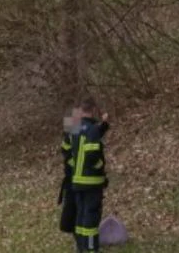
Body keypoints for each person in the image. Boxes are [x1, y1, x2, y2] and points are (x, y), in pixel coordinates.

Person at [67, 98, 110, 252]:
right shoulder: (91, 129)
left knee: (81, 215)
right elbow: (92, 155)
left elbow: (84, 135)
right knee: (91, 218)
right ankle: (91, 248)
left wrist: (104, 125)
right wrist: (102, 172)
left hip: (76, 181)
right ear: (92, 110)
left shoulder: (74, 127)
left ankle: (81, 247)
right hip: (91, 181)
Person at [57, 105, 80, 235]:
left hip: (72, 171)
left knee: (72, 201)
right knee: (72, 202)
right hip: (73, 172)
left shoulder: (70, 133)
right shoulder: (72, 133)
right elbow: (68, 152)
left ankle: (69, 225)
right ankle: (69, 225)